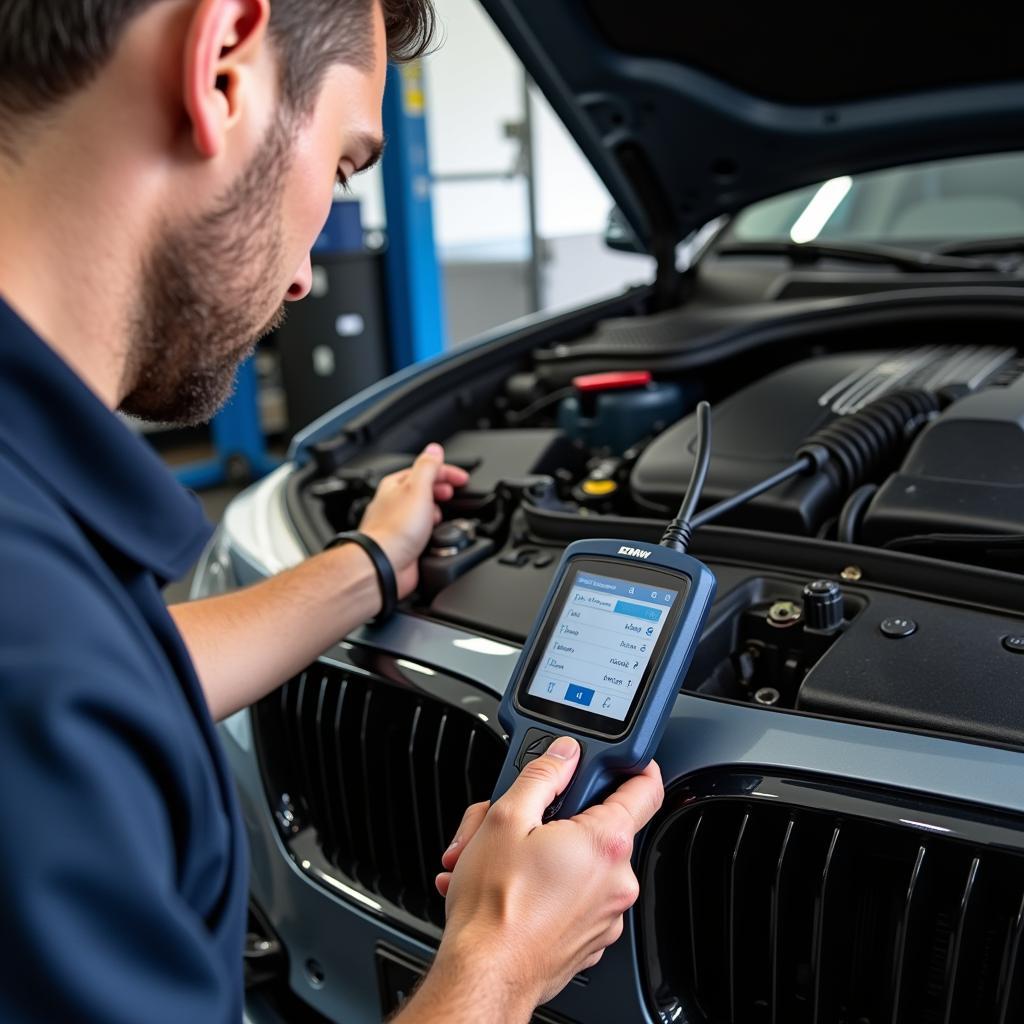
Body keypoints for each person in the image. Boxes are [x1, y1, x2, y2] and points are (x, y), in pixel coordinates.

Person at [0, 1, 665, 1021]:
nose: (310, 271)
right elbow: (69, 680)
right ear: (223, 62)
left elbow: (127, 665)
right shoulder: (39, 655)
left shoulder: (45, 598)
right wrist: (500, 965)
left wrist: (369, 564)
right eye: (346, 165)